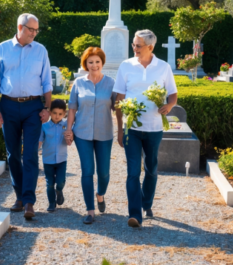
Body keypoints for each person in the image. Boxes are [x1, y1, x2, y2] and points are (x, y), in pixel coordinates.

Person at [0, 13, 52, 220]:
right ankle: (19, 197)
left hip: (33, 107)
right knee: (13, 154)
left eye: (36, 30)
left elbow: (47, 82)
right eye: (30, 29)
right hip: (8, 106)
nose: (34, 33)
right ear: (20, 27)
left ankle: (29, 201)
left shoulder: (41, 50)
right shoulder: (3, 49)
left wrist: (47, 108)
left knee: (31, 153)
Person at [113, 29, 178, 228]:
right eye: (133, 44)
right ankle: (135, 214)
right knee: (133, 172)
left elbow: (173, 95)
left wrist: (169, 106)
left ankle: (146, 203)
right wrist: (119, 129)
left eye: (138, 45)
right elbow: (118, 100)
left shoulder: (163, 67)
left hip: (154, 128)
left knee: (151, 169)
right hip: (131, 129)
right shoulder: (126, 66)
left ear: (150, 47)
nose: (134, 48)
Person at [64, 47, 116, 225]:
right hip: (82, 133)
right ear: (85, 64)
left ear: (102, 63)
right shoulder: (78, 83)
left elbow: (118, 108)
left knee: (104, 172)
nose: (94, 65)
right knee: (87, 171)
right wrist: (69, 130)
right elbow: (72, 108)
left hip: (104, 133)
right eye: (90, 62)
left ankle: (100, 194)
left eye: (97, 62)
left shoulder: (111, 83)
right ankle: (90, 210)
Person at [39, 99, 68, 212]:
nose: (57, 116)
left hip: (61, 159)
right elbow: (40, 141)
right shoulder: (44, 127)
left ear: (64, 114)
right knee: (49, 183)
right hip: (48, 160)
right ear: (50, 112)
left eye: (60, 114)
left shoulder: (66, 125)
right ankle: (51, 203)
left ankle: (59, 190)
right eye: (55, 113)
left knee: (60, 181)